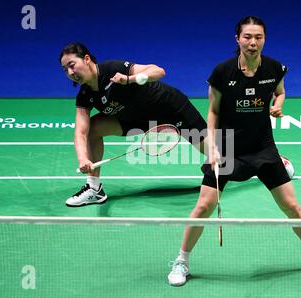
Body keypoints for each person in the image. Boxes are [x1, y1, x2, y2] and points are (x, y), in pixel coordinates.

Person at [167, 16, 301, 286]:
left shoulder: (273, 68)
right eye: (247, 37)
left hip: (263, 147)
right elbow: (213, 111)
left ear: (264, 39)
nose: (252, 42)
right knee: (203, 207)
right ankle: (181, 261)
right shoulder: (222, 73)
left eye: (258, 37)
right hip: (228, 148)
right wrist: (211, 146)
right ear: (238, 39)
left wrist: (278, 105)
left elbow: (279, 92)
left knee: (292, 205)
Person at [59, 43, 207, 207]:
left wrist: (130, 79)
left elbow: (159, 71)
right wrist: (83, 159)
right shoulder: (85, 95)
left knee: (218, 156)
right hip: (135, 119)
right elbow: (80, 132)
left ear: (86, 59)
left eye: (72, 65)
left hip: (170, 108)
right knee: (93, 128)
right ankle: (94, 189)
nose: (70, 73)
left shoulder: (112, 69)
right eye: (65, 70)